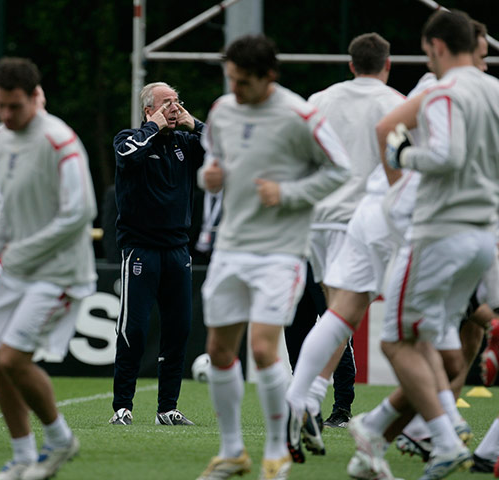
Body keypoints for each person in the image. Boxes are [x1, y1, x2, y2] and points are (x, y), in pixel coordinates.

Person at [348, 9, 499, 480]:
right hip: (481, 234)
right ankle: (375, 433)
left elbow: (444, 154)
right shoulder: (493, 89)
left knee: (397, 341)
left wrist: (400, 155)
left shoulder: (442, 89)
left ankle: (446, 436)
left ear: (435, 47)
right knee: (429, 346)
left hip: (439, 231)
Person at [196, 34, 350, 480]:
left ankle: (277, 451)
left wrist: (289, 193)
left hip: (281, 251)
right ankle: (232, 452)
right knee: (219, 350)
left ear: (270, 76)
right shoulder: (223, 111)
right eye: (231, 80)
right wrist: (211, 177)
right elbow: (217, 168)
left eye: (244, 82)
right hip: (231, 246)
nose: (236, 90)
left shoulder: (299, 114)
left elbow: (341, 169)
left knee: (263, 347)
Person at [283, 31, 405, 460]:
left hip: (318, 219)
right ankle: (307, 403)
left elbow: (298, 154)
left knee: (335, 316)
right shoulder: (395, 103)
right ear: (386, 64)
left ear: (351, 64)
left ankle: (307, 403)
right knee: (341, 317)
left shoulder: (319, 98)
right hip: (363, 222)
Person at [0, 57, 97, 480]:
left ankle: (61, 440)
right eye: (0, 107)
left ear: (34, 97)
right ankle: (23, 457)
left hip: (60, 272)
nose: (6, 116)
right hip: (19, 270)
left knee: (11, 358)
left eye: (15, 107)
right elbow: (9, 205)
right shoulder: (4, 140)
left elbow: (81, 212)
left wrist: (21, 251)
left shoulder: (60, 140)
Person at [110, 81, 205, 426]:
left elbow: (226, 152)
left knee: (178, 329)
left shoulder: (185, 143)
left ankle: (168, 407)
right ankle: (123, 406)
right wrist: (154, 127)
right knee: (133, 330)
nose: (175, 107)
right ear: (149, 109)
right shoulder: (129, 137)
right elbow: (126, 155)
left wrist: (193, 123)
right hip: (140, 248)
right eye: (167, 103)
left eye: (178, 101)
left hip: (177, 249)